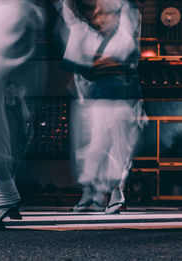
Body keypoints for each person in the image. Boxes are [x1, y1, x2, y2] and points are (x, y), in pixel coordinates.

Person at [59, 0, 147, 213]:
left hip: (120, 102)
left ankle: (115, 194)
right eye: (99, 16)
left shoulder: (122, 35)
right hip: (98, 103)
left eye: (107, 15)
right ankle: (92, 193)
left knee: (117, 150)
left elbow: (127, 12)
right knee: (96, 148)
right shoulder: (89, 37)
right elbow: (73, 22)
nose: (102, 18)